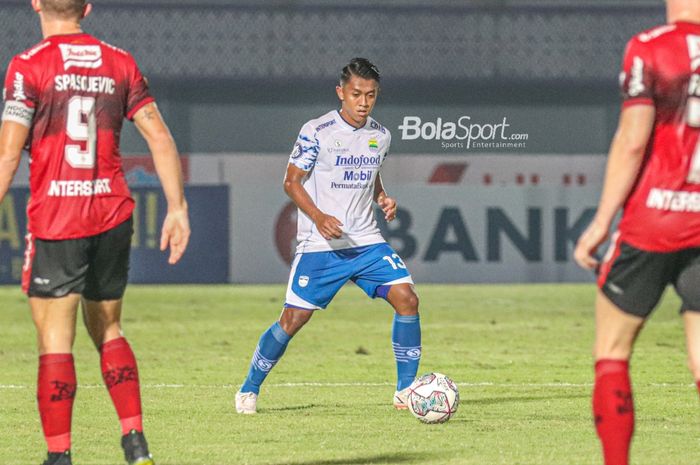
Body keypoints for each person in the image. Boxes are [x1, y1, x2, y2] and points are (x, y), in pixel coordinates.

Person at [0, 1, 190, 464]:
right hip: (111, 214)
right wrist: (177, 207)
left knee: (55, 340)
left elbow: (8, 155)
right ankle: (135, 441)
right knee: (108, 329)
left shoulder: (28, 66)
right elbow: (160, 138)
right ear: (86, 7)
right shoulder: (119, 61)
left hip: (58, 218)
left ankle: (59, 455)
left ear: (37, 4)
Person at [234, 58, 421, 414]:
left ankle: (406, 391)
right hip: (322, 246)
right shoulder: (316, 131)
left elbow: (372, 175)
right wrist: (318, 217)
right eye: (356, 94)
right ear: (341, 93)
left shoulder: (380, 135)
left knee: (407, 298)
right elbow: (291, 182)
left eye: (371, 95)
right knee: (293, 320)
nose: (363, 102)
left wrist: (382, 198)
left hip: (366, 241)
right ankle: (249, 387)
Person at [574, 1, 700, 463]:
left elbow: (632, 140)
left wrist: (601, 221)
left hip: (652, 221)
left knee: (612, 349)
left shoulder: (650, 48)